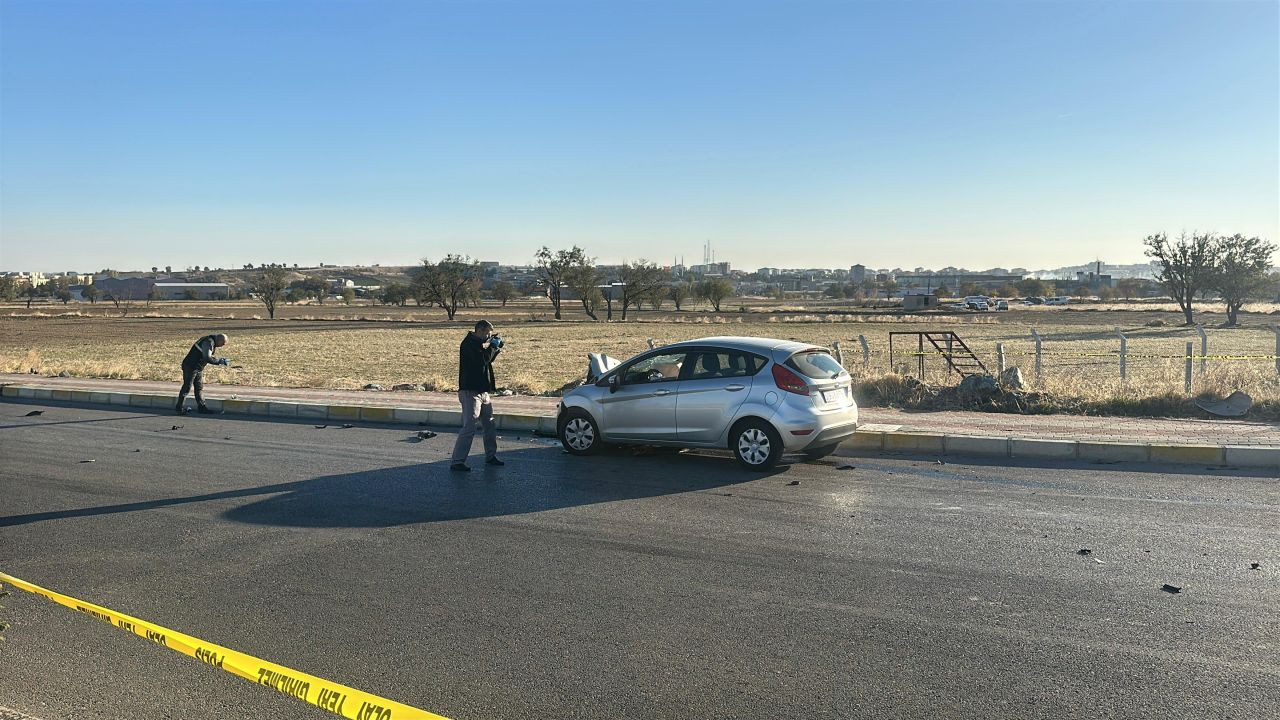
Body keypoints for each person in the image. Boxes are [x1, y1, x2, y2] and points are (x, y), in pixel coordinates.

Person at [451, 320, 504, 471]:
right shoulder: (468, 344)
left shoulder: (478, 344)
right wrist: (493, 346)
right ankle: (457, 461)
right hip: (470, 391)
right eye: (487, 333)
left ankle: (490, 456)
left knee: (489, 425)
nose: (489, 336)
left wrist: (496, 348)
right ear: (480, 330)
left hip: (483, 391)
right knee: (469, 426)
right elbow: (482, 360)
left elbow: (487, 360)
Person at [176, 333, 229, 414]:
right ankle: (179, 408)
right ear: (219, 340)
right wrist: (219, 361)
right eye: (222, 344)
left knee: (199, 388)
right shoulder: (208, 342)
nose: (222, 346)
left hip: (197, 367)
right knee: (187, 387)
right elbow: (207, 357)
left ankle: (202, 407)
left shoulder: (209, 340)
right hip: (190, 366)